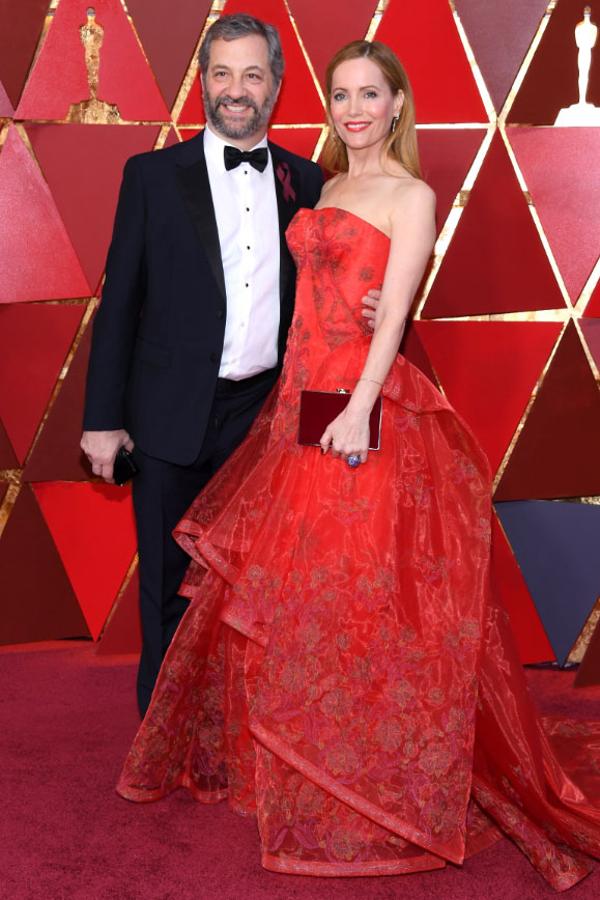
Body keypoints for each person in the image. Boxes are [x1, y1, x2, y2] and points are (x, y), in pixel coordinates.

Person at [117, 40, 600, 889]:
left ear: (398, 103)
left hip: (353, 409)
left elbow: (395, 308)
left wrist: (360, 403)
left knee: (359, 593)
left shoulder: (413, 193)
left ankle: (365, 768)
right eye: (340, 95)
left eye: (370, 94)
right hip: (295, 403)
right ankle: (301, 752)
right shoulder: (321, 185)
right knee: (303, 594)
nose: (354, 110)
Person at [81, 15, 378, 717]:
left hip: (265, 421)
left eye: (251, 74)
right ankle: (163, 740)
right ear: (203, 83)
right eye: (222, 73)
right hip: (168, 416)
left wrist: (370, 306)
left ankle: (241, 735)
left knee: (258, 590)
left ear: (275, 85)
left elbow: (330, 296)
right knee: (166, 589)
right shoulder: (152, 176)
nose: (236, 89)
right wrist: (102, 421)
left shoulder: (311, 180)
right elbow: (119, 302)